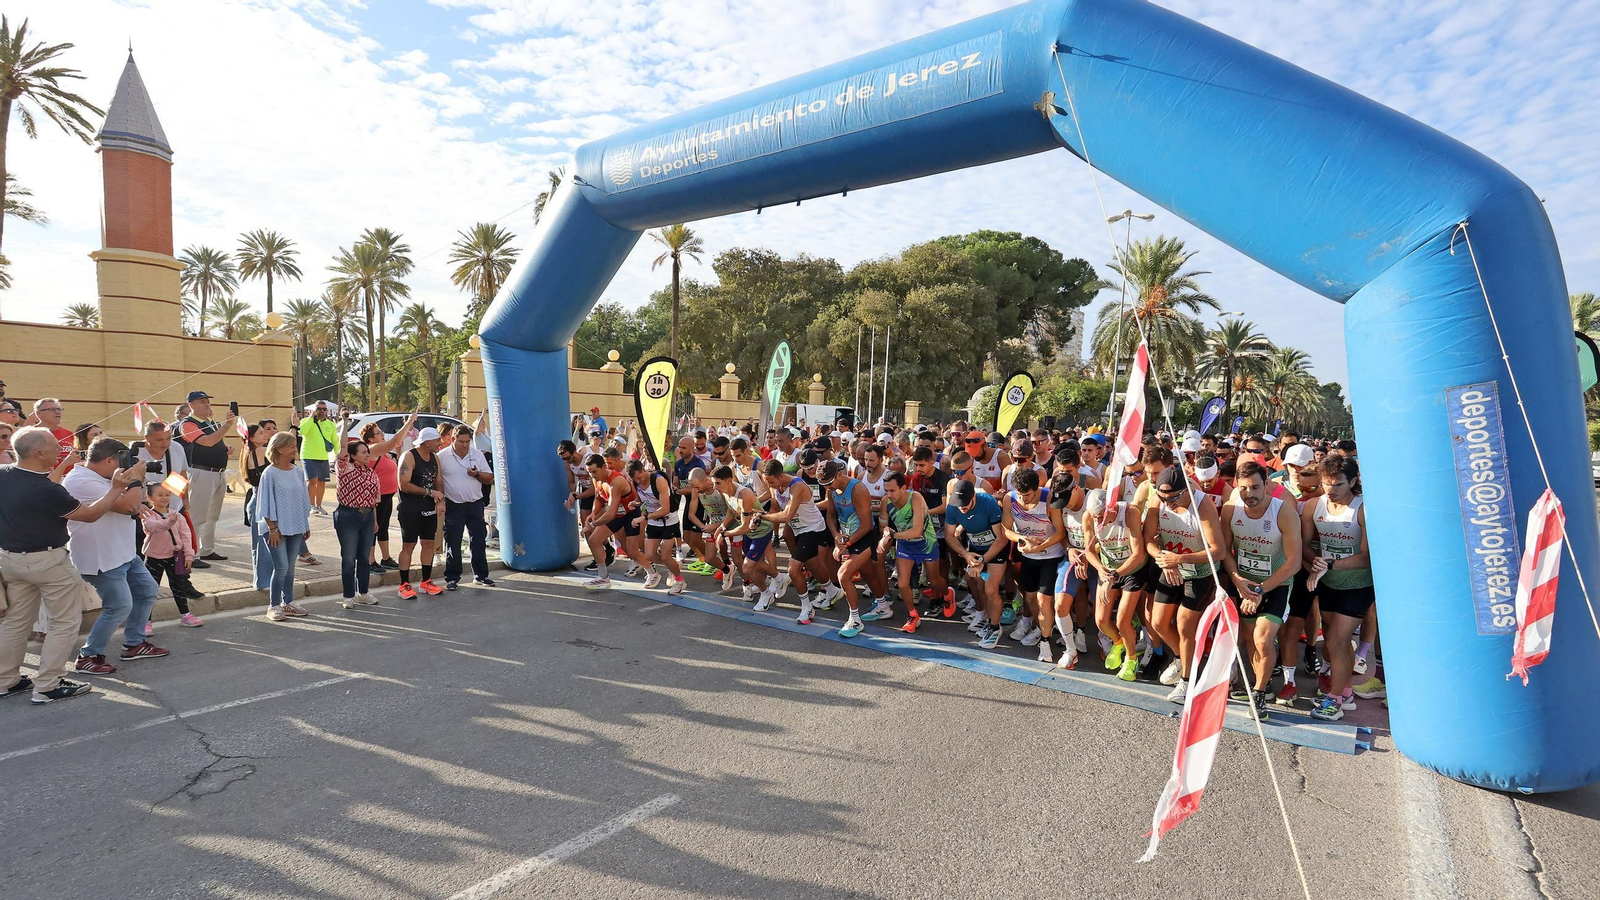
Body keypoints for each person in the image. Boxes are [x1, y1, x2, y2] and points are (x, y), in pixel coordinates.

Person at [1, 427, 143, 704]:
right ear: (38, 453)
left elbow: (41, 487)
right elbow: (89, 515)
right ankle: (48, 685)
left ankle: (6, 681)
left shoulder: (5, 474)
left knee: (16, 622)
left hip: (11, 559)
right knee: (64, 623)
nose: (61, 449)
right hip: (48, 561)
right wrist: (116, 488)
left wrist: (64, 466)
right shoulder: (46, 490)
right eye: (55, 446)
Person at [66, 437, 170, 674]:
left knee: (147, 591)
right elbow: (129, 506)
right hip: (101, 557)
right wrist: (136, 478)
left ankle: (134, 644)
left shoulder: (103, 477)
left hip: (123, 552)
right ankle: (88, 656)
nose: (126, 466)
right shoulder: (81, 481)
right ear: (110, 460)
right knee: (119, 606)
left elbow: (133, 502)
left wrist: (136, 487)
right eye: (123, 461)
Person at [1221, 460, 1302, 717]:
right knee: (1249, 639)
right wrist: (1237, 579)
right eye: (1243, 488)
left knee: (1263, 639)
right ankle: (1263, 685)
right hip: (1245, 585)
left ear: (1267, 484)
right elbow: (1225, 552)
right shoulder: (1231, 509)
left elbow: (1294, 563)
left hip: (1275, 585)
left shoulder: (1283, 511)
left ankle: (1257, 695)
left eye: (1255, 487)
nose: (1249, 494)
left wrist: (1260, 590)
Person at [1143, 465, 1227, 703]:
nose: (1167, 503)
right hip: (1170, 566)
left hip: (1200, 571)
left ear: (1186, 490)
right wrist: (1163, 559)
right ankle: (1182, 658)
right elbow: (1148, 540)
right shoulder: (1157, 501)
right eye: (1163, 497)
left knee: (1184, 626)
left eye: (1172, 498)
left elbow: (1218, 551)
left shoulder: (1203, 506)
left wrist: (1179, 559)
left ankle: (1188, 681)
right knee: (1157, 622)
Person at [1306, 454, 1375, 721]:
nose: (1331, 490)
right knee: (1337, 641)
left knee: (1335, 640)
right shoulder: (1314, 505)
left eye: (1338, 484)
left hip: (1358, 584)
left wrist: (1331, 564)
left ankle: (1333, 701)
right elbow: (1304, 547)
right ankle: (1345, 693)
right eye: (1326, 483)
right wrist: (1315, 562)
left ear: (1353, 481)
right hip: (1328, 583)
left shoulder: (1362, 509)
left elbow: (1367, 557)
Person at [755, 457, 840, 619]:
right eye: (767, 482)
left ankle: (807, 608)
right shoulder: (775, 486)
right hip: (798, 530)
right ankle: (832, 590)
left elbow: (786, 516)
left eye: (771, 482)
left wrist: (762, 516)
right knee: (813, 565)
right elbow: (774, 509)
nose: (769, 485)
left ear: (781, 476)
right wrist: (759, 517)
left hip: (813, 528)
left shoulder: (797, 486)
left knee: (793, 570)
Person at [1000, 467, 1066, 663]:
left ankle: (1045, 642)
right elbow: (1006, 530)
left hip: (1051, 556)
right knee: (1029, 598)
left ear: (1036, 489)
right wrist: (1022, 539)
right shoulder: (1009, 499)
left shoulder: (1049, 498)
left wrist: (1039, 547)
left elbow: (1060, 532)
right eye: (1020, 494)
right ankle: (1041, 627)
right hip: (1028, 555)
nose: (1023, 499)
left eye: (1027, 495)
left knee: (1043, 600)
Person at [1085, 487, 1147, 681]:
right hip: (1109, 568)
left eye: (1101, 517)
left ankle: (1131, 659)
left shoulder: (1129, 512)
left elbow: (1138, 554)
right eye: (1095, 517)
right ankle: (1119, 643)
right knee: (1101, 621)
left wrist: (1115, 575)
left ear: (1111, 508)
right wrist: (1100, 569)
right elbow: (1089, 551)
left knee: (1122, 620)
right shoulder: (1089, 517)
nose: (1098, 522)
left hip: (1132, 569)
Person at [867, 471, 937, 633]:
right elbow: (883, 525)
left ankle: (947, 594)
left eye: (892, 490)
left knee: (935, 581)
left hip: (926, 543)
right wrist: (885, 533)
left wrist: (892, 535)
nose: (888, 495)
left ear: (904, 488)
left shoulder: (915, 498)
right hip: (905, 544)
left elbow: (917, 530)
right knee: (903, 583)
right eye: (886, 491)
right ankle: (913, 615)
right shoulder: (886, 502)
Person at [944, 479, 1008, 650]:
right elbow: (949, 536)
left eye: (965, 504)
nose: (962, 508)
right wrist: (966, 555)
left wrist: (983, 561)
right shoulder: (952, 506)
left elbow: (1001, 539)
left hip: (995, 549)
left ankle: (995, 628)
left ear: (974, 496)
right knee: (977, 584)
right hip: (975, 548)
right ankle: (988, 619)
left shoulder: (988, 502)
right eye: (959, 504)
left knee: (990, 589)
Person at [256, 432, 312, 621]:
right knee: (281, 567)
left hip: (296, 525)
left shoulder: (298, 471)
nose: (295, 449)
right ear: (279, 449)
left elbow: (303, 499)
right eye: (291, 446)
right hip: (275, 529)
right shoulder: (270, 473)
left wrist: (305, 524)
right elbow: (265, 502)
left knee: (290, 568)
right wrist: (272, 528)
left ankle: (288, 602)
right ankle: (273, 606)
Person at [175, 390, 236, 563]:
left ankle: (207, 549)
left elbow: (215, 442)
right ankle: (191, 554)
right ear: (191, 405)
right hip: (201, 472)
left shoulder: (211, 423)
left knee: (212, 515)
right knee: (197, 515)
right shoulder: (187, 424)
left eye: (207, 401)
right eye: (202, 401)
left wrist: (225, 449)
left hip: (218, 473)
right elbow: (207, 442)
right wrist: (227, 425)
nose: (207, 404)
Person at [580, 453, 652, 591]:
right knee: (594, 539)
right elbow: (599, 497)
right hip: (618, 515)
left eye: (594, 471)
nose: (592, 475)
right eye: (589, 472)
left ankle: (652, 572)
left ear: (604, 467)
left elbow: (610, 513)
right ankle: (603, 577)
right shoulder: (596, 479)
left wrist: (592, 525)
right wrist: (593, 513)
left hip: (630, 514)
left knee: (632, 551)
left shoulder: (616, 481)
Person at [439, 424, 495, 591]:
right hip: (453, 504)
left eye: (467, 442)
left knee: (478, 540)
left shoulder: (477, 454)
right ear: (453, 439)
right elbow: (437, 480)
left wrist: (477, 474)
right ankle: (452, 578)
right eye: (461, 441)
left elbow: (489, 478)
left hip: (475, 504)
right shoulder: (442, 456)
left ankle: (481, 575)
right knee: (453, 542)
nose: (465, 445)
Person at [140, 481, 204, 627]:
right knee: (150, 590)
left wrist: (189, 555)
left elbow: (186, 536)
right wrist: (169, 522)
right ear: (150, 497)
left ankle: (185, 615)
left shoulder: (177, 515)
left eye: (167, 495)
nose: (165, 498)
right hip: (154, 557)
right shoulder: (147, 516)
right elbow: (155, 527)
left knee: (178, 587)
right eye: (160, 495)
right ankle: (145, 621)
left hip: (174, 557)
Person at [359, 414, 416, 572]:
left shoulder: (382, 451)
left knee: (383, 528)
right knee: (373, 528)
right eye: (378, 433)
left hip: (387, 495)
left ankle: (385, 558)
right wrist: (409, 423)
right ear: (370, 439)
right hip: (375, 497)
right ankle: (370, 561)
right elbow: (395, 442)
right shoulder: (372, 449)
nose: (382, 434)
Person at [396, 426, 447, 598]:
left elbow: (438, 481)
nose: (440, 443)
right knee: (408, 546)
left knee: (428, 544)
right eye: (437, 440)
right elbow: (403, 484)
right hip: (410, 509)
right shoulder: (409, 456)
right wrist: (429, 492)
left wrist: (440, 501)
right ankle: (404, 584)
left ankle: (426, 581)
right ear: (426, 442)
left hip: (429, 509)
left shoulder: (434, 457)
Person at [333, 439, 382, 609]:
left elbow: (375, 500)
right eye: (363, 452)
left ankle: (363, 593)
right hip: (348, 515)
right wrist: (345, 426)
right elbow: (342, 448)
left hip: (368, 516)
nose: (367, 454)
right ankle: (348, 596)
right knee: (348, 558)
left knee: (364, 557)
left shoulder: (372, 473)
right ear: (353, 456)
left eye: (368, 451)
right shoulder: (345, 468)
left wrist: (374, 520)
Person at [629, 459, 686, 595]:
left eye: (640, 478)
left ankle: (680, 581)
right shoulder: (636, 482)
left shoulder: (658, 480)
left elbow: (665, 509)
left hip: (668, 521)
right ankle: (673, 566)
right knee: (650, 555)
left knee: (666, 557)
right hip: (654, 521)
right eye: (635, 480)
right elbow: (642, 498)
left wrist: (644, 517)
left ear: (643, 470)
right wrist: (635, 503)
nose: (639, 481)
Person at [240, 421, 277, 589]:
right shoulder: (261, 451)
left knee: (260, 544)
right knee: (265, 544)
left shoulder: (247, 451)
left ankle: (262, 581)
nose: (266, 434)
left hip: (256, 499)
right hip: (262, 500)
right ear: (252, 438)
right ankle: (265, 581)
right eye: (261, 433)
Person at [297, 401, 339, 515]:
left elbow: (335, 440)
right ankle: (311, 505)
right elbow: (302, 431)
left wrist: (338, 454)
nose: (321, 411)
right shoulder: (306, 421)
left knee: (321, 482)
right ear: (314, 410)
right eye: (319, 409)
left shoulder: (330, 424)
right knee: (312, 480)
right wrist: (311, 418)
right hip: (308, 456)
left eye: (324, 409)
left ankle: (319, 505)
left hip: (323, 456)